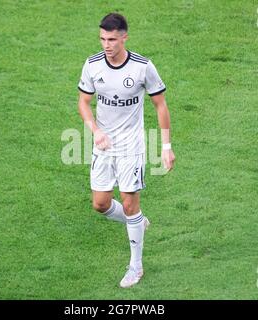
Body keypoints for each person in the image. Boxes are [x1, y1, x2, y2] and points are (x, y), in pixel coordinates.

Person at [77, 13, 175, 288]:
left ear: (124, 37)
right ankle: (138, 222)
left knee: (131, 203)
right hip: (104, 145)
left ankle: (136, 266)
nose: (106, 45)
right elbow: (83, 102)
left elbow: (160, 106)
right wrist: (96, 131)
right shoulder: (93, 65)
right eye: (102, 39)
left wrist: (166, 146)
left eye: (111, 39)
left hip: (132, 146)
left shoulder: (143, 67)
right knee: (100, 204)